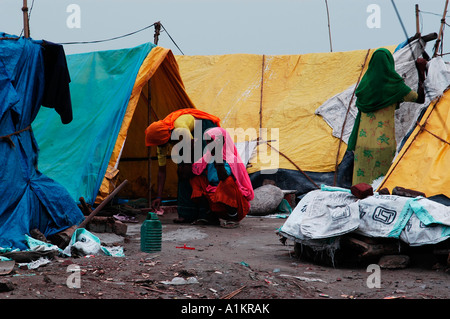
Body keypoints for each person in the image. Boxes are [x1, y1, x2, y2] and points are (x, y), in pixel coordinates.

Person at [347, 48, 426, 185]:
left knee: (361, 185)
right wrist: (421, 72)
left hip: (362, 143)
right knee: (380, 186)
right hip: (384, 143)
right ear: (390, 63)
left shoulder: (363, 87)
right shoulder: (396, 86)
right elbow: (419, 99)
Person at [145, 109, 221, 223]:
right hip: (189, 140)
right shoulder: (161, 141)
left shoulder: (179, 127)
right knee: (182, 173)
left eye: (162, 144)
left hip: (203, 127)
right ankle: (187, 213)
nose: (161, 147)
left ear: (166, 138)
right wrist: (159, 197)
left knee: (200, 168)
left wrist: (188, 165)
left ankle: (207, 213)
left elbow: (191, 145)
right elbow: (162, 171)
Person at [190, 127, 254, 228]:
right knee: (197, 181)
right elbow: (193, 172)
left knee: (227, 182)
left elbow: (223, 176)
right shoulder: (208, 157)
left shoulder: (231, 158)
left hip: (235, 202)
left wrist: (218, 155)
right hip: (215, 195)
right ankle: (210, 217)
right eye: (208, 142)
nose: (209, 145)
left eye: (212, 142)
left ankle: (232, 217)